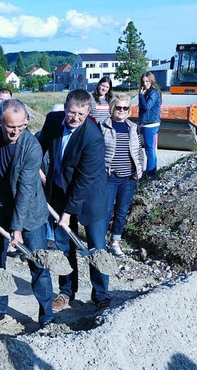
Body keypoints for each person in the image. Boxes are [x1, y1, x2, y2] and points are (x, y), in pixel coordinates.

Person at [0, 99, 54, 328]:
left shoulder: (31, 147)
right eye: (10, 127)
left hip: (29, 213)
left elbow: (26, 191)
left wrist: (17, 229)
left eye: (20, 127)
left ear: (26, 122)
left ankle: (46, 313)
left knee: (38, 262)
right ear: (0, 122)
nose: (15, 131)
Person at [38, 89, 109, 311]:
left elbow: (84, 180)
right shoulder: (52, 121)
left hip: (90, 197)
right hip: (59, 192)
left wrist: (67, 214)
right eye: (71, 112)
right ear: (65, 107)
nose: (75, 117)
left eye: (80, 113)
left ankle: (101, 295)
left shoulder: (93, 137)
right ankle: (67, 291)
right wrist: (38, 172)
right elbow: (39, 147)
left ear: (88, 112)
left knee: (96, 246)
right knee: (63, 246)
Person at [100, 94, 144, 257]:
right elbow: (98, 151)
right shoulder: (103, 126)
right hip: (110, 177)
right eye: (119, 107)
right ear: (112, 108)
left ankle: (115, 242)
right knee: (106, 210)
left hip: (128, 178)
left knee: (122, 211)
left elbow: (138, 150)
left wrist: (140, 169)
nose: (122, 111)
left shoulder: (132, 127)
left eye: (125, 108)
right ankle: (100, 242)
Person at [138, 72, 161, 178]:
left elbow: (147, 106)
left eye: (147, 81)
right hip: (148, 123)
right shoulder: (150, 92)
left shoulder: (152, 93)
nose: (145, 84)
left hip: (150, 124)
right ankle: (152, 171)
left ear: (152, 81)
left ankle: (150, 173)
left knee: (149, 149)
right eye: (143, 82)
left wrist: (141, 95)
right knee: (151, 149)